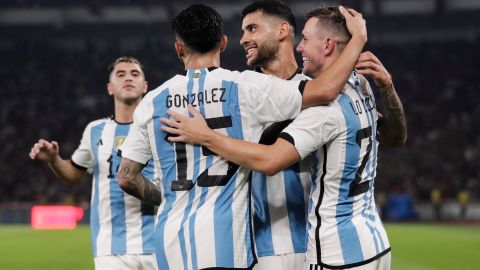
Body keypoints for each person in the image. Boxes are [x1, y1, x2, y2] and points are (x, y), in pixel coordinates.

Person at [116, 4, 367, 270]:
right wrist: (358, 40)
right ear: (223, 43)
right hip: (226, 239)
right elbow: (325, 91)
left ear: (178, 48)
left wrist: (166, 198)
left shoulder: (152, 102)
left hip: (168, 239)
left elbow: (126, 176)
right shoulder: (243, 87)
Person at [29, 57, 158, 270]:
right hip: (110, 249)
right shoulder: (95, 130)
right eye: (121, 74)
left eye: (135, 74)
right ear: (110, 88)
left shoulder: (159, 128)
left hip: (157, 242)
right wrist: (54, 160)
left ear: (145, 86)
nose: (128, 77)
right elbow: (73, 173)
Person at [239, 1, 312, 269]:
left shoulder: (314, 86)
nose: (243, 39)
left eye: (252, 29)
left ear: (283, 30)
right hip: (261, 246)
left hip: (318, 244)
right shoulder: (239, 90)